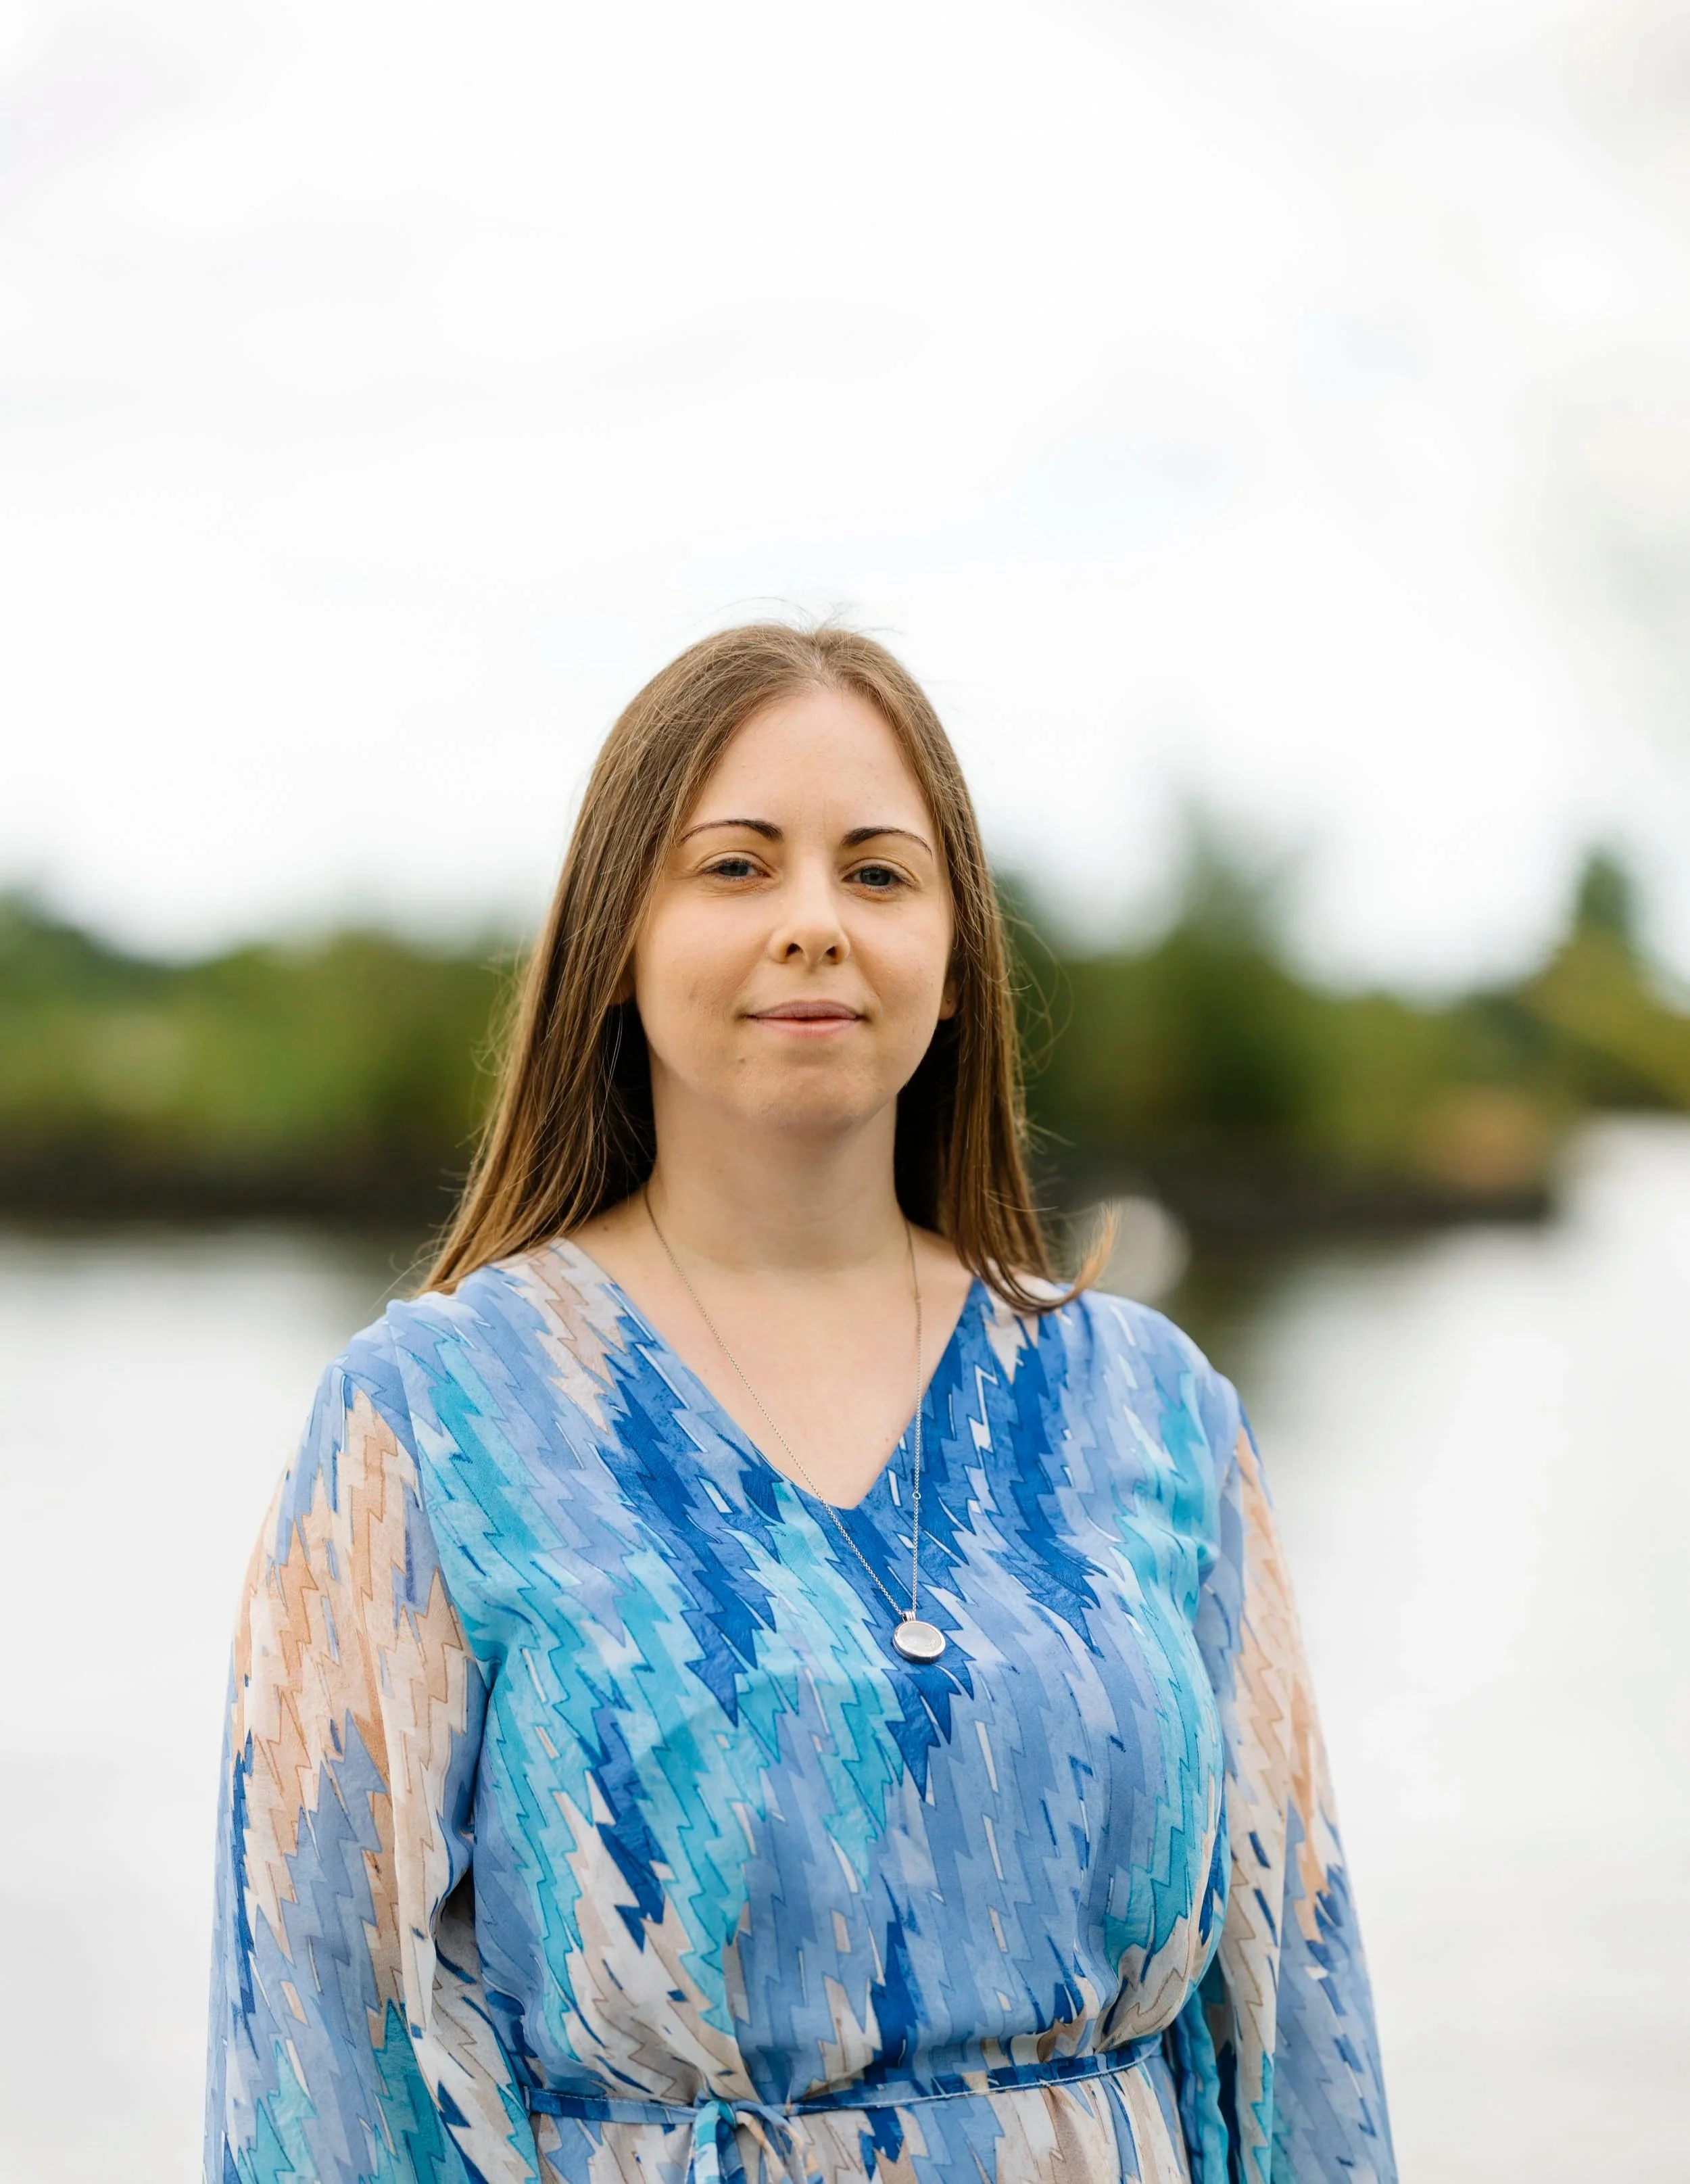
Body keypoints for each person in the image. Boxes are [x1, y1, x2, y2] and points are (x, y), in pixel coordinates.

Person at [204, 623, 1395, 2184]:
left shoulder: (1148, 1409)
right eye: (736, 866)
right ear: (614, 945)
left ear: (958, 964)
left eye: (879, 873)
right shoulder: (435, 1419)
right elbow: (322, 2045)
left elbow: (1288, 2006)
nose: (815, 925)